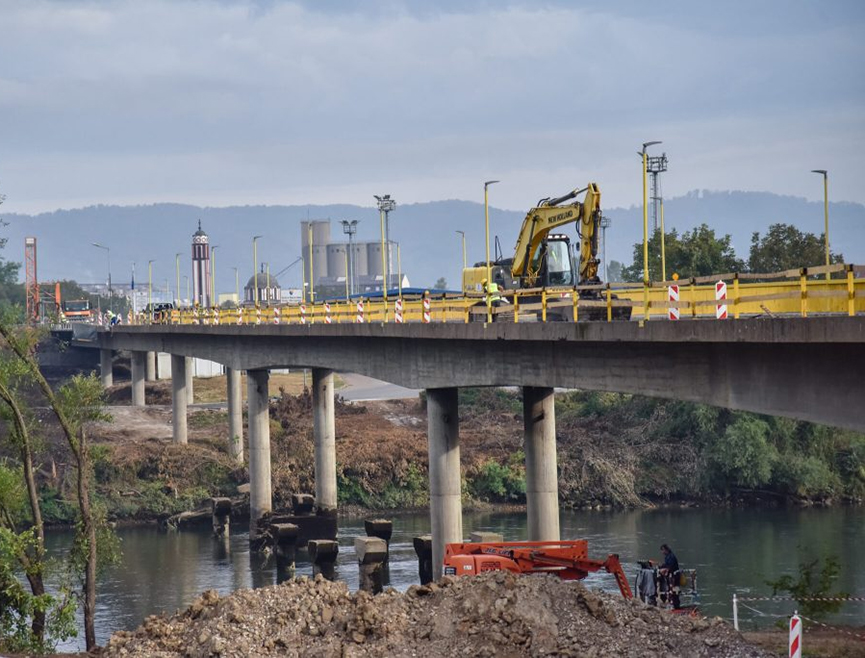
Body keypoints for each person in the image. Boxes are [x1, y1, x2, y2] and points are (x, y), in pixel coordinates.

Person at [659, 544, 681, 609]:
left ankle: (676, 605)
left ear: (666, 550)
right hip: (671, 577)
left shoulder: (671, 556)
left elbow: (670, 566)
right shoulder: (667, 557)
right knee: (671, 591)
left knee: (675, 591)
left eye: (663, 550)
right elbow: (666, 565)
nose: (662, 552)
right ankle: (672, 604)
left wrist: (664, 568)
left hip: (675, 577)